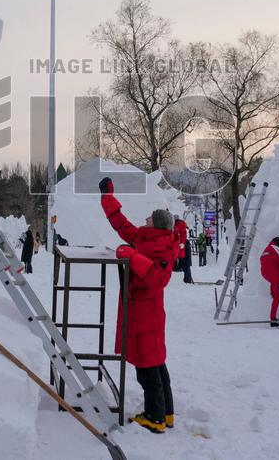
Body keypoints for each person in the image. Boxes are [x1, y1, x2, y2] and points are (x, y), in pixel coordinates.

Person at [99, 177, 178, 434]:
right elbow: (122, 226)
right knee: (156, 363)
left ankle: (155, 419)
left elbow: (158, 278)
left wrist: (132, 256)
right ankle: (166, 413)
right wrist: (108, 197)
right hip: (141, 314)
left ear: (156, 224)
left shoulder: (163, 247)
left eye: (149, 218)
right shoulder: (146, 238)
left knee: (148, 369)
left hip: (146, 315)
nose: (144, 220)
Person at [174, 216, 193, 284]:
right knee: (186, 265)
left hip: (183, 248)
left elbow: (181, 237)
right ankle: (188, 279)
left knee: (185, 265)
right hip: (184, 247)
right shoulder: (183, 225)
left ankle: (188, 279)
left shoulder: (179, 226)